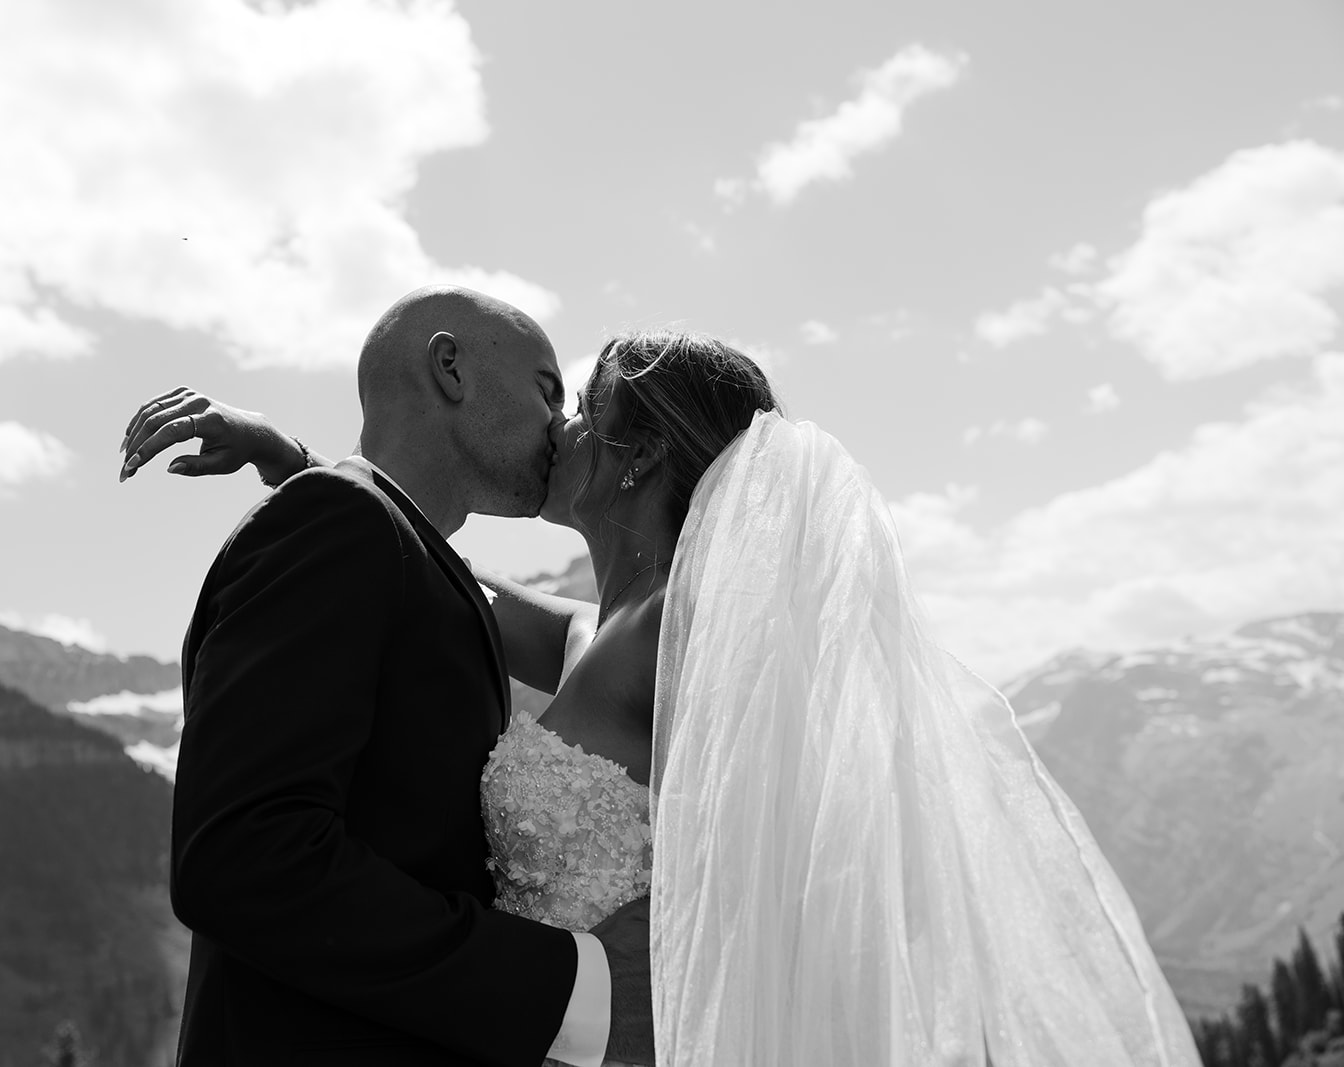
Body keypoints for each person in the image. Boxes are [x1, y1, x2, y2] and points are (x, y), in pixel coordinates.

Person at [123, 321, 1204, 1065]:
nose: (555, 427)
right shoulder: (600, 627)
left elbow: (776, 853)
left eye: (575, 405)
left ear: (637, 455)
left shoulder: (691, 636)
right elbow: (416, 565)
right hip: (536, 1021)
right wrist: (294, 458)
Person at [152, 286, 655, 1067]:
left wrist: (308, 466)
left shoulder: (372, 537)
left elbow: (411, 555)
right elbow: (246, 854)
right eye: (548, 390)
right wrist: (571, 988)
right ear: (450, 367)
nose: (560, 425)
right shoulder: (336, 523)